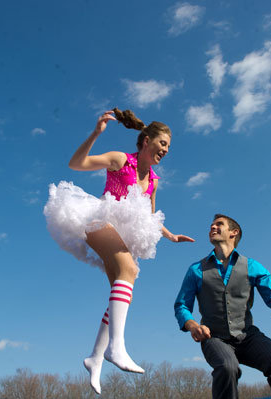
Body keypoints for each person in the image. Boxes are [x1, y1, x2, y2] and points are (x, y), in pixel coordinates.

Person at [44, 108, 194, 394]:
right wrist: (96, 133)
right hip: (96, 219)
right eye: (163, 143)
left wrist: (171, 236)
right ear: (146, 140)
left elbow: (149, 216)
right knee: (129, 270)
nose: (165, 150)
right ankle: (117, 348)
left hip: (121, 232)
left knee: (124, 285)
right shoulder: (121, 159)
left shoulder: (153, 180)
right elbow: (76, 164)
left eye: (168, 147)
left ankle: (95, 357)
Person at [174, 214, 271, 399]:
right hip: (215, 338)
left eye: (219, 224)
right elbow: (182, 305)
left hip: (248, 335)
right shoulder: (196, 270)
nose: (212, 227)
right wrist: (193, 326)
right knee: (228, 367)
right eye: (211, 225)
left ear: (234, 233)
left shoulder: (252, 266)